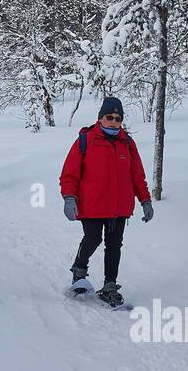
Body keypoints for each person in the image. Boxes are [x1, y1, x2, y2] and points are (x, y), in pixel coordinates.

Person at [59, 96, 153, 308]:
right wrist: (69, 198)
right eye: (109, 117)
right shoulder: (86, 140)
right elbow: (69, 174)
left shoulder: (127, 143)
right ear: (100, 118)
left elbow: (137, 175)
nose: (113, 121)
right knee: (92, 238)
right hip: (92, 204)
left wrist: (145, 199)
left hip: (119, 207)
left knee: (114, 246)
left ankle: (110, 286)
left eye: (118, 118)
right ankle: (79, 272)